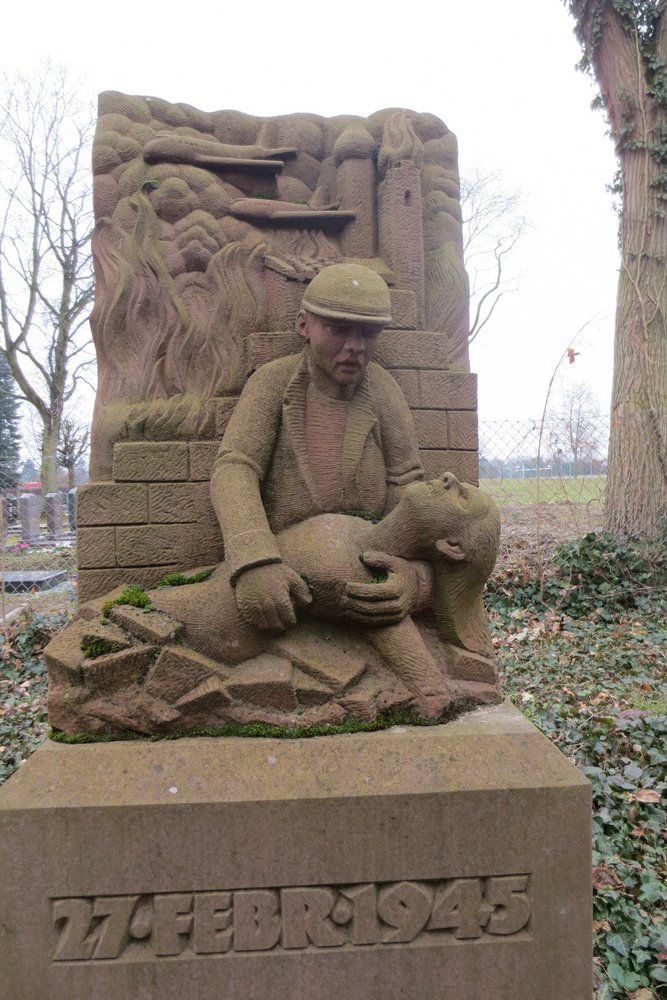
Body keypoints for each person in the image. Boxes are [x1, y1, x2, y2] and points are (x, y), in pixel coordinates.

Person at [210, 263, 427, 633]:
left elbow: (409, 485)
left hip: (363, 565)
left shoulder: (383, 389)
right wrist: (254, 561)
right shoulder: (272, 382)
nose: (355, 346)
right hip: (289, 562)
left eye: (369, 332)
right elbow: (235, 468)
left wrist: (413, 575)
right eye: (339, 329)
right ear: (303, 326)